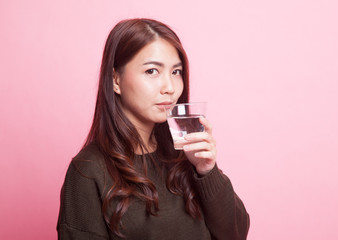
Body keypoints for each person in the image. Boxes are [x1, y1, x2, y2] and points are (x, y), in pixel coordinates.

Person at [57, 18, 250, 240]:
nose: (169, 87)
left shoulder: (184, 151)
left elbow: (236, 234)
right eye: (152, 71)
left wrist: (207, 171)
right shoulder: (88, 171)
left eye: (176, 72)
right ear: (115, 80)